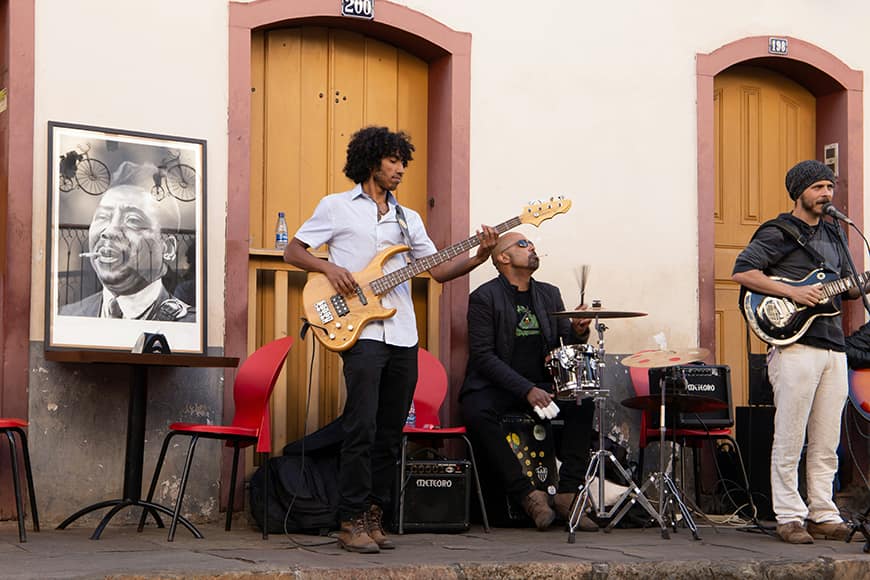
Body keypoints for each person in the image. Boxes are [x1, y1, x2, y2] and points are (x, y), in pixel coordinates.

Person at [283, 126, 498, 553]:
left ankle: (374, 515)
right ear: (371, 160)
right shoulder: (336, 207)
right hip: (359, 332)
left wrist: (481, 256)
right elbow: (294, 251)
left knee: (388, 431)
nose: (400, 169)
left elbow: (437, 270)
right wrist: (328, 269)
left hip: (401, 334)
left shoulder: (408, 218)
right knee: (360, 426)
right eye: (393, 160)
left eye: (404, 162)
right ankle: (349, 519)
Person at [732, 159, 855, 544]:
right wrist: (794, 292)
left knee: (825, 437)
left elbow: (849, 288)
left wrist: (855, 286)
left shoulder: (837, 236)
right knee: (790, 434)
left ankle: (823, 512)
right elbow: (743, 271)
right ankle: (789, 515)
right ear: (800, 191)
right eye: (818, 187)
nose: (826, 194)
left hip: (834, 345)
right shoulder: (777, 232)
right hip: (794, 345)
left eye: (830, 187)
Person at [459, 232, 597, 531]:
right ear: (503, 257)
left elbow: (563, 346)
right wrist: (526, 389)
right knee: (476, 412)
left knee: (582, 402)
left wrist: (579, 331)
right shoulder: (484, 297)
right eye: (523, 244)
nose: (532, 247)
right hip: (498, 387)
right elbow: (483, 356)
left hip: (541, 384)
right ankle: (526, 494)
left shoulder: (549, 294)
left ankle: (567, 494)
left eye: (532, 243)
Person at [60, 162, 194, 323]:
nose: (110, 231)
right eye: (103, 217)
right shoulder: (68, 316)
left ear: (168, 248)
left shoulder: (189, 324)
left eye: (133, 220)